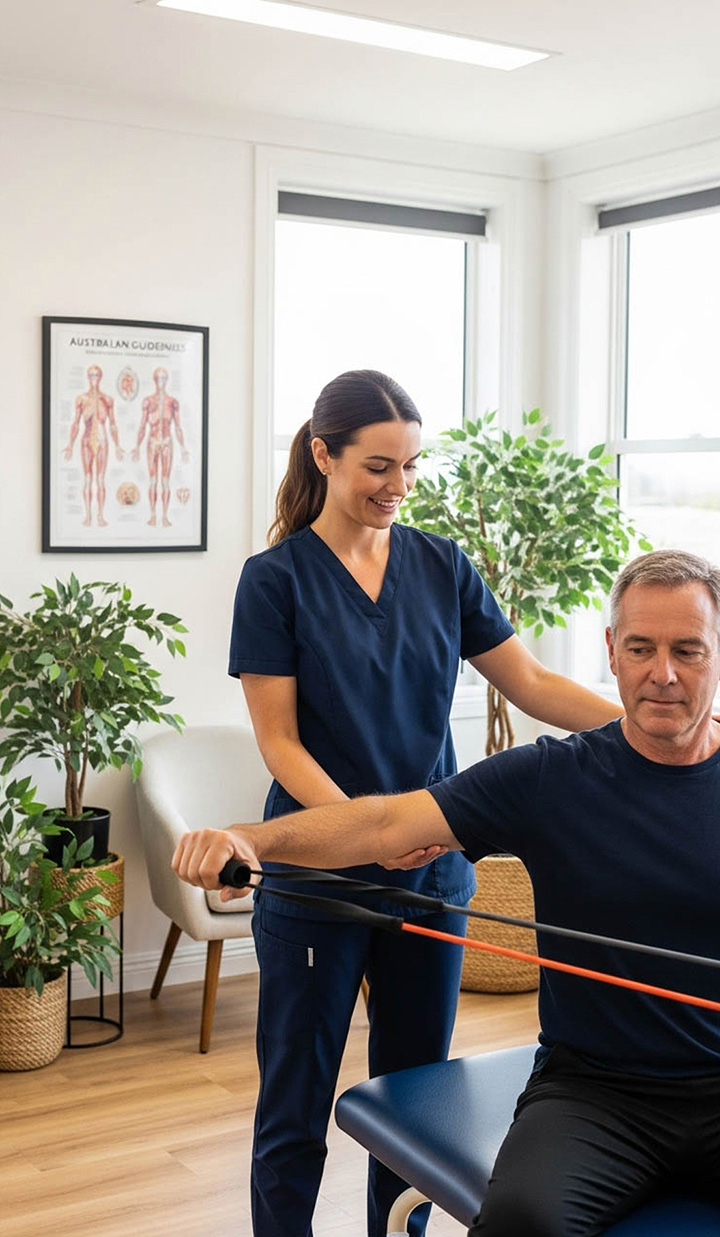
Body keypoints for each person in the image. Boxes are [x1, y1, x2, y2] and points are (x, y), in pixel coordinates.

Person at [176, 548, 720, 1236]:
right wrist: (251, 838)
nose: (662, 673)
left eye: (689, 650)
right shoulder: (550, 780)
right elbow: (383, 821)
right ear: (612, 651)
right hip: (595, 1094)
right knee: (521, 1222)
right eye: (641, 647)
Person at [215, 369, 623, 1237]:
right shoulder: (274, 579)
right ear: (324, 455)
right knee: (293, 1108)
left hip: (428, 879)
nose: (397, 486)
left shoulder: (442, 564)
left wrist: (663, 727)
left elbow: (535, 682)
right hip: (318, 882)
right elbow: (280, 741)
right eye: (377, 466)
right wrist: (366, 833)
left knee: (410, 1110)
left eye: (410, 466)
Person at [63, 365, 124, 526]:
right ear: (87, 377)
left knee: (101, 479)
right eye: (91, 375)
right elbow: (75, 423)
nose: (94, 378)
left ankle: (100, 516)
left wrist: (117, 445)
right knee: (88, 478)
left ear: (101, 377)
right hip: (86, 440)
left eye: (96, 375)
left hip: (103, 440)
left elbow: (113, 424)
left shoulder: (108, 400)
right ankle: (88, 515)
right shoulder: (81, 399)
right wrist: (70, 443)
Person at [131, 367, 189, 526]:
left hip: (167, 442)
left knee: (165, 481)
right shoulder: (148, 402)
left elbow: (177, 427)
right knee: (152, 481)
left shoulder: (172, 402)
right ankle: (152, 515)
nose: (161, 382)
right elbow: (143, 426)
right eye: (158, 378)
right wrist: (137, 446)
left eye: (164, 378)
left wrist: (183, 447)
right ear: (155, 380)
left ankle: (164, 515)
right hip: (152, 441)